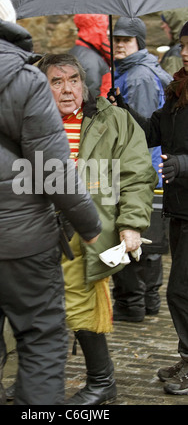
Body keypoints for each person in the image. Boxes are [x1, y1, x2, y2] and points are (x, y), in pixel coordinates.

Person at [0, 0, 102, 405]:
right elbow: (52, 171)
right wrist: (90, 226)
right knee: (41, 337)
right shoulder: (28, 80)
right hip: (25, 242)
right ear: (8, 22)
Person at [37, 53, 158, 405]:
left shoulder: (116, 120)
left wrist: (132, 224)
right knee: (35, 307)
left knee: (78, 304)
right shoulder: (32, 121)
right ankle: (38, 377)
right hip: (34, 231)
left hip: (83, 231)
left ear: (84, 82)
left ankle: (102, 381)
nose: (66, 89)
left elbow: (137, 177)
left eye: (73, 79)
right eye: (56, 81)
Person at [113, 20, 188, 396]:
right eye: (185, 45)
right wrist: (122, 107)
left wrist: (185, 163)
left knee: (180, 290)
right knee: (181, 289)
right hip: (180, 204)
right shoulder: (179, 89)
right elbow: (150, 132)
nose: (186, 52)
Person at [111, 17, 172, 322]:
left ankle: (134, 303)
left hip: (141, 169)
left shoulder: (138, 77)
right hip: (146, 169)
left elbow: (143, 133)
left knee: (135, 232)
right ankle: (145, 302)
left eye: (126, 40)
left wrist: (135, 175)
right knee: (148, 235)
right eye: (116, 39)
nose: (119, 44)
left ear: (139, 43)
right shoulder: (130, 72)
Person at [68, 14, 111, 98]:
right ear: (95, 30)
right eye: (105, 28)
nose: (108, 32)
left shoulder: (79, 51)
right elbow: (92, 99)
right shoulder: (90, 60)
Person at [160, 8, 188, 76]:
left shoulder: (176, 52)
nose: (162, 26)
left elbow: (174, 83)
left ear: (174, 24)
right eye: (182, 46)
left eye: (165, 22)